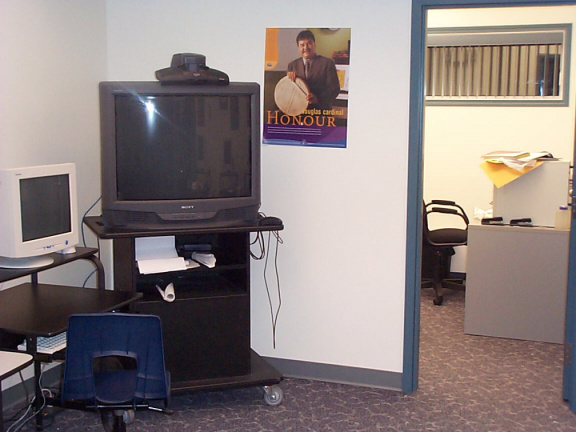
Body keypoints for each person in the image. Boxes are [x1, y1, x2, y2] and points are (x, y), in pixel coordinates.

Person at [287, 30, 341, 111]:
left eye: (309, 43)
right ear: (298, 47)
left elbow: (334, 89)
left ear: (314, 45)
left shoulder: (328, 63)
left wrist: (317, 98)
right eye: (302, 45)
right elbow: (288, 91)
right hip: (298, 112)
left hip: (321, 112)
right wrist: (288, 81)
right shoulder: (292, 65)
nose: (306, 48)